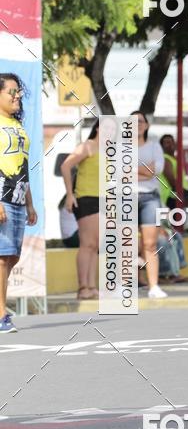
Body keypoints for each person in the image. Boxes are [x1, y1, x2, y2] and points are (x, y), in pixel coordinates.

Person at [0, 73, 37, 333]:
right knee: (2, 258)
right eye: (12, 91)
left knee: (11, 257)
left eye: (19, 91)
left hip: (18, 199)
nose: (17, 96)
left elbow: (22, 166)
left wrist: (30, 203)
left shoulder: (17, 124)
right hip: (1, 197)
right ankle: (1, 313)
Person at [60, 120, 100, 299]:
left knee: (95, 245)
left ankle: (91, 286)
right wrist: (70, 194)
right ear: (97, 128)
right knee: (87, 243)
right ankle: (83, 287)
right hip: (86, 198)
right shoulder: (87, 146)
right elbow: (65, 166)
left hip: (103, 199)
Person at [131, 111, 167, 299]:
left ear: (146, 125)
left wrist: (131, 170)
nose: (137, 124)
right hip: (125, 197)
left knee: (150, 244)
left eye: (140, 121)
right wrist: (146, 171)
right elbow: (117, 172)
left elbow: (157, 170)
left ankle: (154, 287)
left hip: (150, 198)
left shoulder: (154, 146)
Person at [159, 134, 188, 210]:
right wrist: (186, 193)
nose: (171, 144)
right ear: (162, 146)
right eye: (167, 142)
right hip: (172, 196)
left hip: (179, 195)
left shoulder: (175, 159)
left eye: (172, 142)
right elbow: (171, 180)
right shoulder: (165, 159)